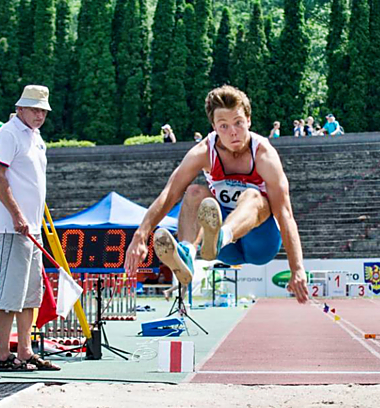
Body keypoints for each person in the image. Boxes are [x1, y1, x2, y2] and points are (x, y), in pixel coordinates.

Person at [125, 85, 308, 303]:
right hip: (223, 249)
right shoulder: (203, 152)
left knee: (253, 195)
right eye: (224, 126)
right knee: (193, 192)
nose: (233, 132)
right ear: (214, 127)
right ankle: (187, 254)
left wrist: (297, 268)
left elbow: (285, 214)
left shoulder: (263, 154)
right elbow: (170, 193)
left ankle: (222, 235)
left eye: (238, 123)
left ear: (248, 120)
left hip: (260, 242)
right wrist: (140, 236)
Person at [0, 85, 59, 372]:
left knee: (30, 295)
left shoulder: (35, 136)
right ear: (20, 108)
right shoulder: (8, 134)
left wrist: (30, 219)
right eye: (34, 109)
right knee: (9, 294)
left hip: (30, 226)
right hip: (12, 226)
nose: (39, 115)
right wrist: (17, 215)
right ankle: (2, 355)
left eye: (43, 110)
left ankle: (25, 351)